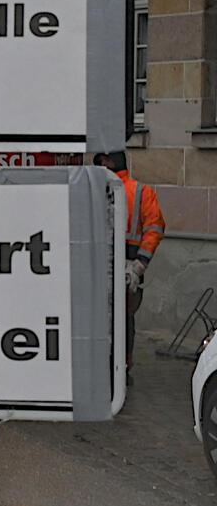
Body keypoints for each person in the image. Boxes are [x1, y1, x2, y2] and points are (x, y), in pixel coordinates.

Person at [94, 150, 165, 379]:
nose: (99, 166)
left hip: (114, 265)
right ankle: (121, 366)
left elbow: (154, 228)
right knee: (124, 319)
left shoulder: (100, 190)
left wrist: (138, 264)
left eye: (101, 162)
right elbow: (154, 228)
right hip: (129, 267)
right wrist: (139, 265)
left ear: (110, 162)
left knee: (108, 317)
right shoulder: (140, 191)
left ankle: (111, 366)